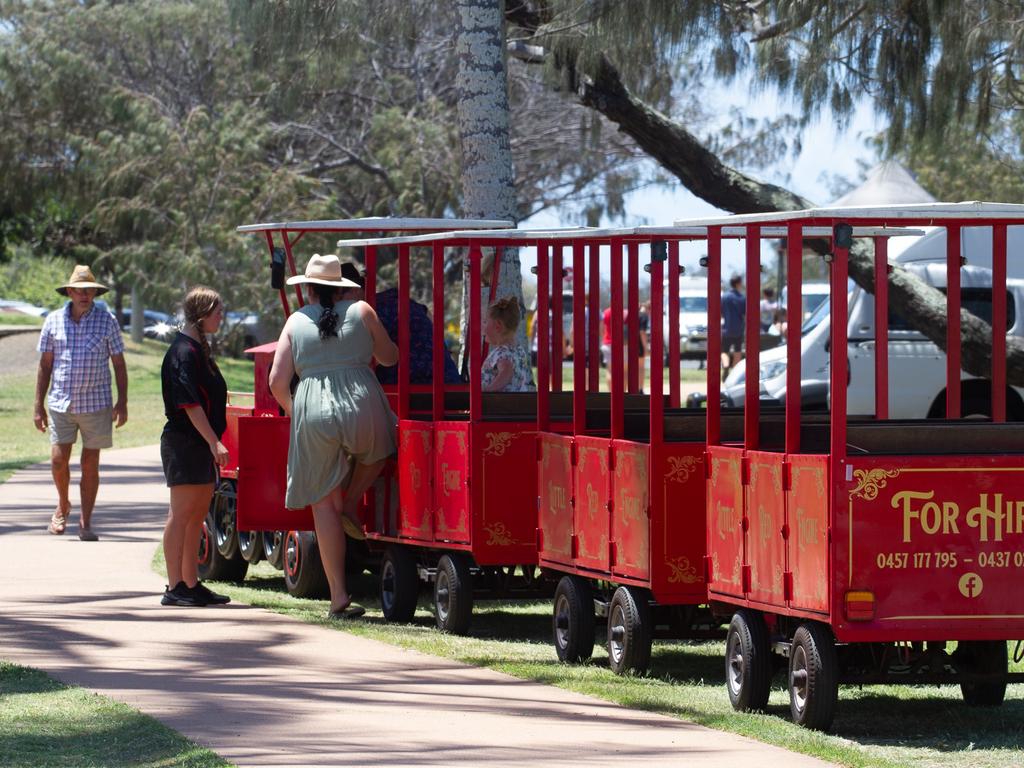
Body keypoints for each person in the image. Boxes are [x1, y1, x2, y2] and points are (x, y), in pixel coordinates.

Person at [269, 254, 398, 619]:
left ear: (307, 288)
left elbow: (276, 382)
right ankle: (354, 501)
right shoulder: (362, 311)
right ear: (342, 285)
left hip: (311, 407)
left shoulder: (295, 321)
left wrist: (298, 413)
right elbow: (389, 358)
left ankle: (339, 597)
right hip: (361, 400)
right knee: (380, 447)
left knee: (324, 507)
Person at [34, 264, 127, 541]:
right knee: (58, 460)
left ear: (95, 293)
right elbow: (45, 365)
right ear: (70, 292)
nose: (85, 295)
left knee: (90, 463)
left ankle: (86, 521)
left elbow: (119, 364)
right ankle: (63, 505)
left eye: (90, 290)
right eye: (80, 290)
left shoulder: (107, 320)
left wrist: (122, 402)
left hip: (96, 403)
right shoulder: (52, 321)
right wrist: (37, 405)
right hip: (61, 401)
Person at [159, 286, 231, 607]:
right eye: (217, 311)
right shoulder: (183, 353)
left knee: (196, 514)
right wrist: (214, 441)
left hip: (198, 444)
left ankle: (190, 582)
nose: (221, 316)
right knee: (181, 513)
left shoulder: (198, 348)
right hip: (185, 443)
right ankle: (175, 586)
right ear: (201, 315)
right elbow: (189, 404)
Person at [482, 297, 536, 392]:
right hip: (516, 403)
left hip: (499, 404)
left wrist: (487, 390)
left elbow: (506, 372)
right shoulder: (519, 350)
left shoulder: (502, 353)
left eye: (485, 322)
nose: (483, 326)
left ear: (498, 326)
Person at [721, 275, 745, 378]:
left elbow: (721, 312)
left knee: (724, 351)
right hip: (739, 329)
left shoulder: (724, 297)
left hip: (726, 329)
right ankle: (734, 374)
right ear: (738, 283)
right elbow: (745, 313)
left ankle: (726, 365)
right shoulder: (741, 297)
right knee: (738, 351)